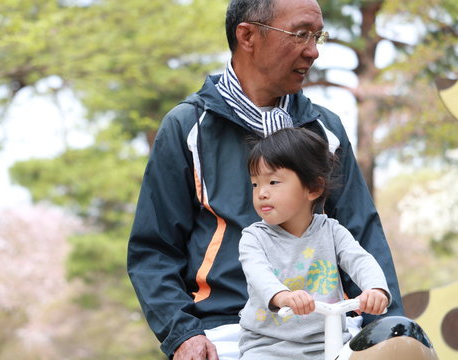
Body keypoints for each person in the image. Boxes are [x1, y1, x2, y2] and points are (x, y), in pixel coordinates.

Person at [127, 0, 404, 359]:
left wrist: (387, 328)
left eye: (318, 36)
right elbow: (154, 251)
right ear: (247, 36)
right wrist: (182, 335)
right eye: (301, 34)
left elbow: (363, 236)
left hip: (330, 330)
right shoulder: (186, 127)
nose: (314, 51)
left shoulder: (327, 130)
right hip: (226, 333)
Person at [238, 127, 390, 359]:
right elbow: (259, 275)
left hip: (330, 343)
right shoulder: (254, 238)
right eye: (255, 184)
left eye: (273, 182)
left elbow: (360, 260)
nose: (261, 193)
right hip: (270, 347)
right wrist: (284, 296)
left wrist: (376, 289)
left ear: (313, 189)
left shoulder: (332, 231)